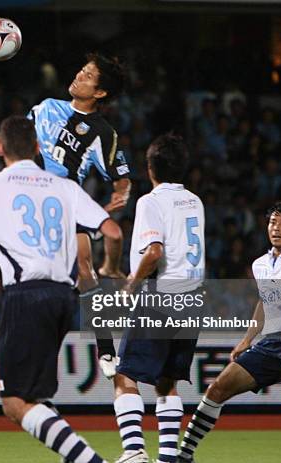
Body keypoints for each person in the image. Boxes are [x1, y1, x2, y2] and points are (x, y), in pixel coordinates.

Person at [0, 116, 123, 463]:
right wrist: (111, 267)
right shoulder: (65, 187)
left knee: (14, 402)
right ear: (38, 148)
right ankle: (70, 451)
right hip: (62, 298)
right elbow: (113, 232)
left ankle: (87, 460)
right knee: (2, 375)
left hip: (26, 296)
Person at [0, 52, 131, 376]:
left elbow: (120, 177)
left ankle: (105, 347)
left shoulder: (103, 133)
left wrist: (121, 194)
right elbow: (14, 143)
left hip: (65, 200)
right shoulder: (47, 106)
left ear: (100, 93)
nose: (79, 76)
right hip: (27, 192)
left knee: (83, 264)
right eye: (81, 69)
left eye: (88, 76)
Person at [177, 201, 281, 463]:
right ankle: (185, 454)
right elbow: (263, 302)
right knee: (216, 390)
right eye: (273, 222)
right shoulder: (260, 264)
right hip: (269, 343)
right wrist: (246, 340)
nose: (276, 228)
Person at [113, 134, 205, 463]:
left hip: (162, 296)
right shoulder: (195, 201)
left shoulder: (150, 202)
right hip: (192, 300)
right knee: (167, 383)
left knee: (124, 376)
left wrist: (132, 283)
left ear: (150, 167)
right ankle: (168, 457)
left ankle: (134, 452)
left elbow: (154, 251)